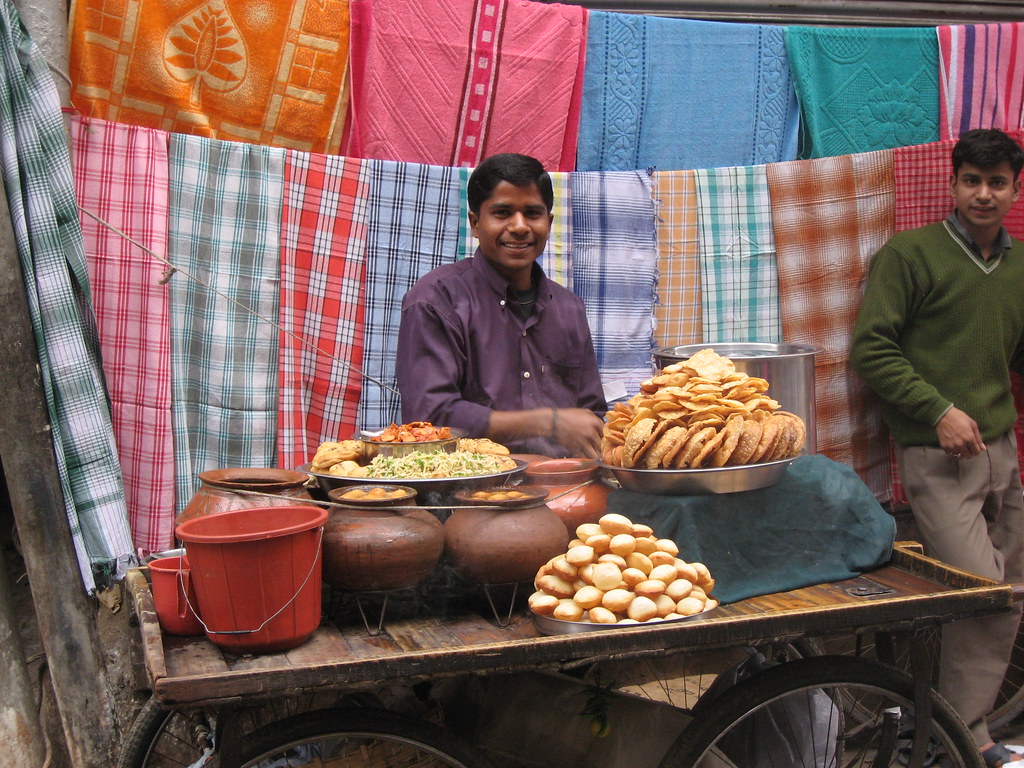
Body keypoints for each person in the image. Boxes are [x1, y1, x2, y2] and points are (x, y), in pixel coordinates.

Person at [850, 128, 1024, 767]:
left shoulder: (1020, 264)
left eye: (997, 182)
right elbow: (871, 348)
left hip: (1001, 450)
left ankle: (949, 732)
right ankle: (956, 737)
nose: (983, 194)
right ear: (952, 184)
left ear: (1013, 189)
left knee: (1014, 591)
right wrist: (938, 409)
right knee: (983, 594)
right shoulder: (910, 255)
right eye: (972, 180)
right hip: (938, 453)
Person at [396, 153, 606, 459]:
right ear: (476, 223)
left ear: (548, 222)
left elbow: (590, 413)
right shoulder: (436, 300)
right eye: (503, 212)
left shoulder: (568, 308)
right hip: (465, 489)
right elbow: (429, 416)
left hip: (564, 485)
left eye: (532, 213)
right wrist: (547, 423)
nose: (519, 226)